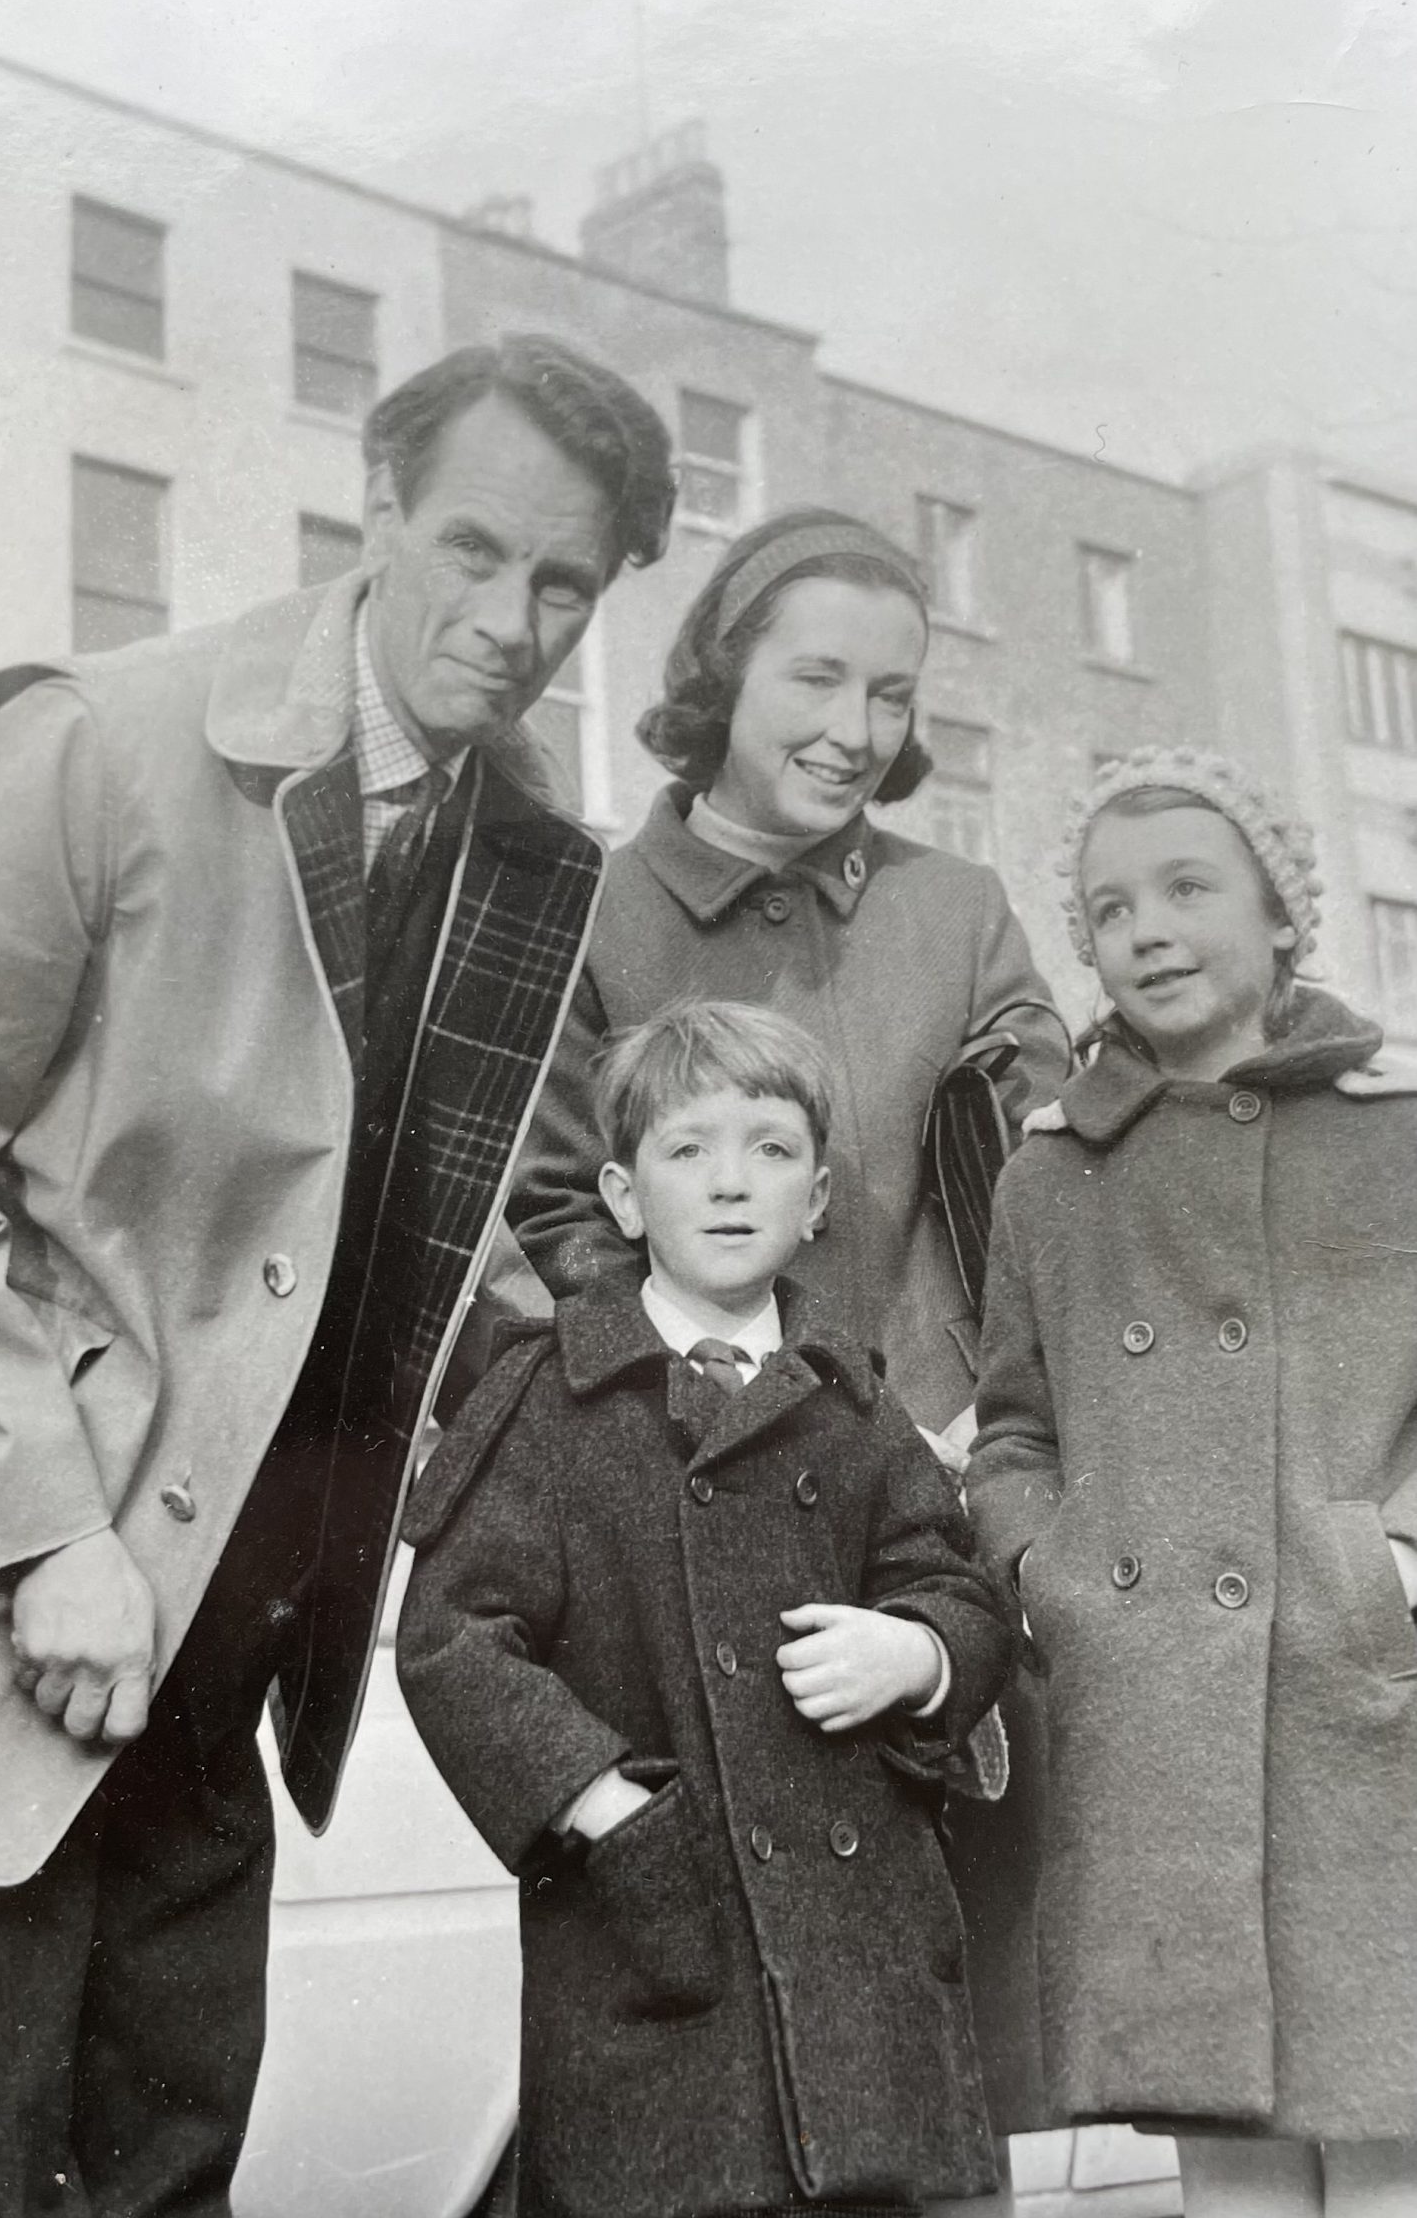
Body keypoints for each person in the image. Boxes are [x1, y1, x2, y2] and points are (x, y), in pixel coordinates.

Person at [0, 333, 675, 2218]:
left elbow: (433, 1254)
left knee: (171, 2177)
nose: (509, 619)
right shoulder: (92, 737)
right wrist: (32, 1534)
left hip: (241, 1645)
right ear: (379, 508)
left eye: (561, 585)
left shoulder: (521, 860)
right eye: (473, 551)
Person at [508, 504, 1070, 2167]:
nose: (852, 728)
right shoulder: (591, 912)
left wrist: (991, 1421)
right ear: (719, 669)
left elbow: (1052, 1187)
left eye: (889, 695)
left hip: (931, 1524)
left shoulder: (955, 909)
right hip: (676, 1524)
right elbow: (544, 1224)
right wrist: (696, 1416)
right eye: (813, 677)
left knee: (934, 2048)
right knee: (713, 2057)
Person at [396, 999, 1017, 2218]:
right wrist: (602, 1804)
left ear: (820, 1197)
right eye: (688, 1151)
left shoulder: (852, 1405)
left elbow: (958, 1590)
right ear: (623, 1199)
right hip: (652, 1937)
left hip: (862, 1957)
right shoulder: (552, 1396)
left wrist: (920, 1652)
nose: (731, 1184)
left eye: (771, 1150)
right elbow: (453, 1636)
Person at [968, 746, 1417, 2218]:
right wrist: (1050, 1575)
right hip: (1150, 1710)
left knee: (1387, 2139)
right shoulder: (1046, 1175)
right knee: (1220, 2155)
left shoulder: (1397, 1131)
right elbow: (1011, 1430)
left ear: (1282, 913)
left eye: (1184, 888)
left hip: (1357, 1694)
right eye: (1106, 907)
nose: (1143, 928)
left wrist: (1392, 1563)